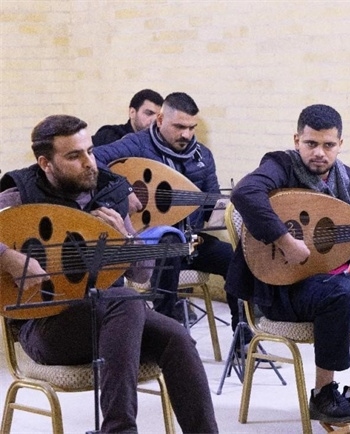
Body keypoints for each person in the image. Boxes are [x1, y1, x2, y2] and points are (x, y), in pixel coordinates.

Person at [0, 115, 218, 433]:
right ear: (46, 163)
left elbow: (141, 275)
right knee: (126, 300)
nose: (89, 162)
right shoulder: (21, 195)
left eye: (89, 151)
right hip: (45, 326)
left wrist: (125, 240)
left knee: (177, 337)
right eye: (74, 156)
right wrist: (8, 257)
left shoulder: (109, 194)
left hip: (114, 320)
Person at [225, 104, 350, 424]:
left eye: (328, 145)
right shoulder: (280, 166)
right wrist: (285, 240)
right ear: (297, 140)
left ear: (340, 144)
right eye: (311, 143)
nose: (319, 153)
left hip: (336, 279)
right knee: (339, 292)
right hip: (284, 287)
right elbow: (245, 193)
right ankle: (324, 396)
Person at [92, 92, 241, 329]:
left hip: (191, 242)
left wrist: (224, 209)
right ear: (160, 120)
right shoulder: (138, 144)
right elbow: (94, 159)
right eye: (179, 127)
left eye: (191, 128)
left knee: (234, 258)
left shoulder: (202, 156)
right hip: (149, 244)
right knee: (169, 244)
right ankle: (169, 329)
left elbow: (210, 204)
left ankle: (242, 332)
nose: (186, 134)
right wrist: (124, 189)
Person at [92, 89, 164, 147]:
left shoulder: (160, 145)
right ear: (132, 112)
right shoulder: (109, 136)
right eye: (149, 113)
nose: (154, 120)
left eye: (158, 117)